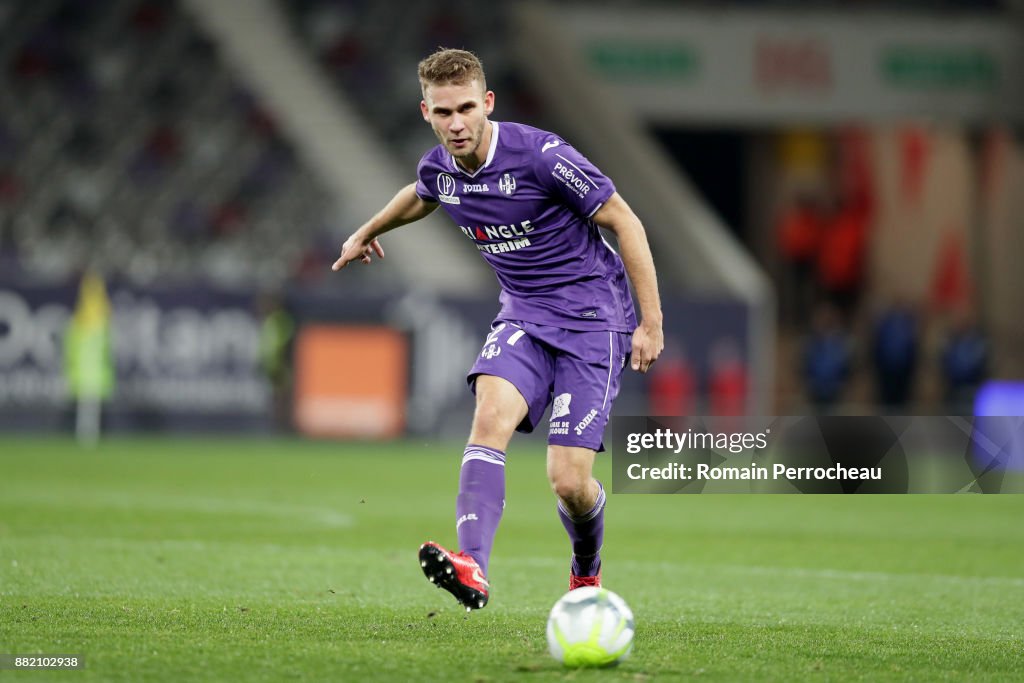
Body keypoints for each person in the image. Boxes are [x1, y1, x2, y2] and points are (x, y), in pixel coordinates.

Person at [331, 49, 663, 610]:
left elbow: (623, 219)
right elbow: (422, 194)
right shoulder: (441, 167)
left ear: (487, 103)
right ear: (426, 112)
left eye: (465, 108)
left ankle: (586, 569)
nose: (456, 124)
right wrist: (365, 231)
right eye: (443, 113)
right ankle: (473, 567)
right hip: (523, 315)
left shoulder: (540, 156)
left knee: (569, 482)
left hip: (592, 320)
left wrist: (650, 323)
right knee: (488, 417)